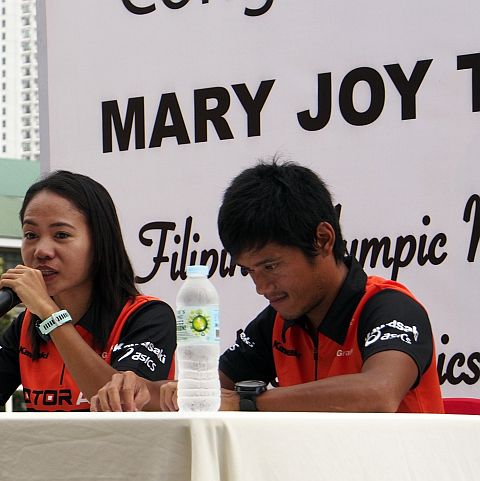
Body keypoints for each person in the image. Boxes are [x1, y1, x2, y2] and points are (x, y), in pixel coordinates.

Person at [91, 159, 444, 413]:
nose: (262, 286)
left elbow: (378, 393)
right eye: (249, 271)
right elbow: (208, 391)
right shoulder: (277, 321)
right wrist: (139, 390)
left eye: (271, 266)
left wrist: (247, 403)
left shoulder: (389, 306)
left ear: (322, 239)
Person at [0, 170, 176, 411]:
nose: (41, 251)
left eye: (61, 235)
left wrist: (51, 315)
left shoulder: (148, 316)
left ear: (100, 242)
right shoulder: (27, 327)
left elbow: (119, 403)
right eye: (30, 235)